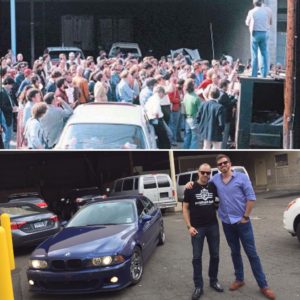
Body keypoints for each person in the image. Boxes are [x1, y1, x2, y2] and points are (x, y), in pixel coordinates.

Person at [185, 154, 276, 300]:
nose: (222, 165)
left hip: (242, 223)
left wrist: (246, 217)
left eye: (225, 162)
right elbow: (200, 182)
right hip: (227, 223)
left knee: (252, 254)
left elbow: (251, 198)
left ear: (230, 163)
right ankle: (239, 279)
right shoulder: (215, 180)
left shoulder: (241, 178)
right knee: (235, 252)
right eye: (219, 164)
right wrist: (189, 184)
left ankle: (263, 285)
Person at [182, 163, 224, 300]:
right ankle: (198, 286)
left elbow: (224, 189)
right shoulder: (190, 188)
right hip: (197, 228)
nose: (205, 175)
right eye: (203, 172)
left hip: (212, 226)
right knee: (196, 258)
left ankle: (213, 281)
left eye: (208, 173)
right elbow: (185, 208)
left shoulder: (213, 186)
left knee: (215, 255)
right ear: (198, 173)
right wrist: (189, 226)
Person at [245, 0, 272, 78]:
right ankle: (264, 74)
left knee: (254, 54)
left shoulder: (252, 12)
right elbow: (270, 22)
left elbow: (247, 22)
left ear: (254, 3)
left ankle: (254, 74)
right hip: (264, 33)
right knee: (264, 54)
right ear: (261, 3)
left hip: (255, 33)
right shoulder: (267, 11)